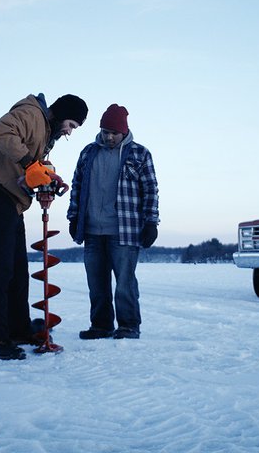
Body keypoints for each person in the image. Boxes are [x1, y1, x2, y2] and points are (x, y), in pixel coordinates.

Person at [0, 93, 88, 360]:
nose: (69, 132)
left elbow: (32, 164)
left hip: (14, 200)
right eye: (71, 124)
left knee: (17, 270)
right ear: (61, 113)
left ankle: (16, 330)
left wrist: (46, 176)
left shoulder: (46, 130)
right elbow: (2, 132)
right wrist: (30, 164)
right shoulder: (31, 113)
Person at [67, 104, 159, 340]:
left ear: (124, 132)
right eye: (105, 131)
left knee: (124, 284)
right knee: (97, 285)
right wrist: (74, 216)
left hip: (124, 232)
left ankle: (128, 325)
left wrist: (151, 222)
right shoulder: (88, 153)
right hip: (92, 231)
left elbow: (150, 190)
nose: (109, 137)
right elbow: (77, 186)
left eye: (114, 133)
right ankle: (101, 325)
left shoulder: (140, 154)